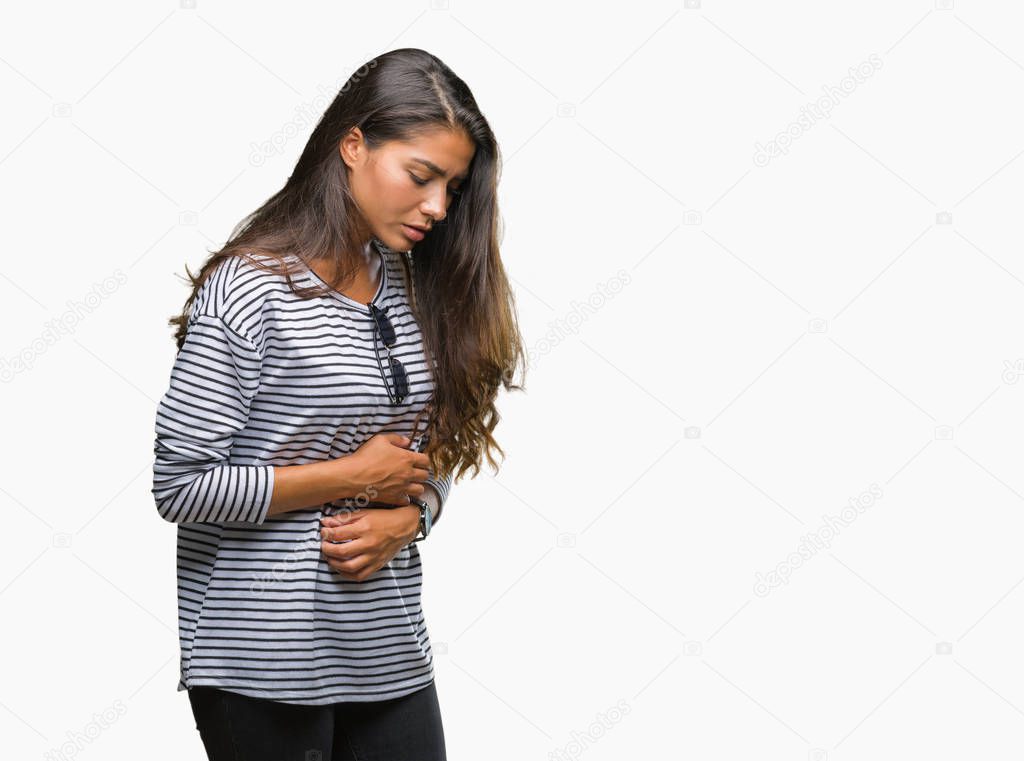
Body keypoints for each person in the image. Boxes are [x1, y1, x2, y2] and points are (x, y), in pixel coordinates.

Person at [151, 48, 526, 761]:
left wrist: (411, 514)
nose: (439, 207)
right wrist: (355, 475)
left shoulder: (412, 284)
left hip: (386, 643)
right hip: (259, 655)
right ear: (352, 145)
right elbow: (182, 486)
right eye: (420, 176)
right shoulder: (249, 288)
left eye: (452, 185)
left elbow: (431, 448)